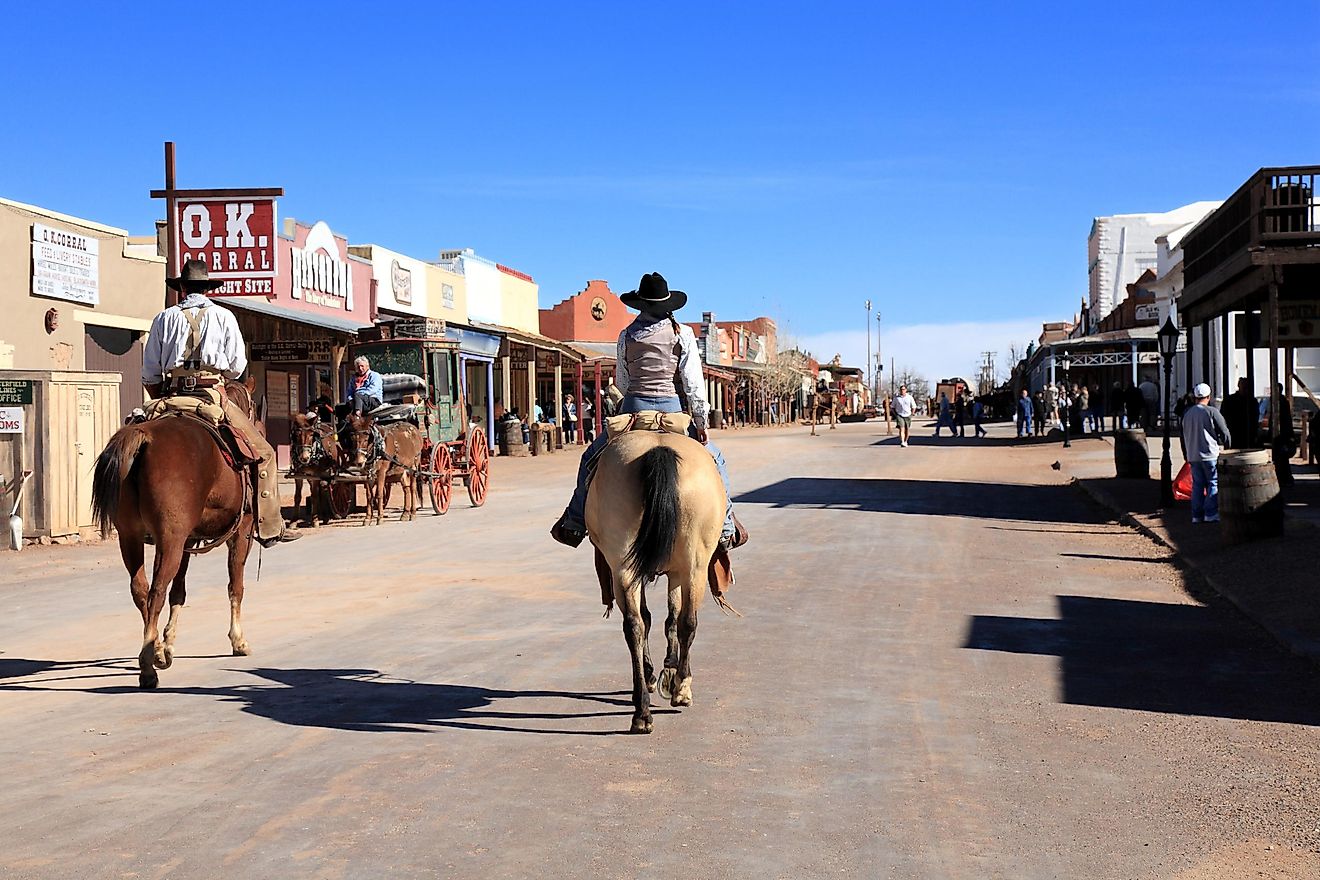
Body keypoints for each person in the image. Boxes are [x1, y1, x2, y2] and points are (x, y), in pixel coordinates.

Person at [550, 272, 747, 552]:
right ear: (669, 305)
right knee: (716, 459)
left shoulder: (627, 335)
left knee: (589, 458)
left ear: (640, 305)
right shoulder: (683, 334)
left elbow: (623, 382)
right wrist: (701, 423)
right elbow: (693, 384)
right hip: (673, 412)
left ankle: (574, 522)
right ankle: (726, 528)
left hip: (634, 411)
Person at [141, 260, 300, 547]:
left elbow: (149, 372)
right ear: (207, 288)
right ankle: (270, 526)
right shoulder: (224, 316)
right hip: (211, 394)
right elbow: (237, 368)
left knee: (131, 437)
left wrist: (163, 397)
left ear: (182, 288)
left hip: (170, 395)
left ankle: (134, 516)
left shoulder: (163, 318)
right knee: (264, 454)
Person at [1181, 382, 1232, 523]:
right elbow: (1225, 432)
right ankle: (1211, 513)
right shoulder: (1211, 412)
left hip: (1193, 455)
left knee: (1197, 485)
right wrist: (1228, 448)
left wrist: (1186, 453)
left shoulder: (1187, 414)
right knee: (1213, 482)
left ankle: (1196, 515)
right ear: (1208, 396)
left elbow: (1182, 435)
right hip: (1209, 454)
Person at [1269, 382, 1296, 487]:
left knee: (1282, 456)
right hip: (1281, 433)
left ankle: (1285, 477)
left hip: (1282, 434)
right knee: (1281, 456)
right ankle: (1285, 477)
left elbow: (1284, 419)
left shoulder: (1281, 401)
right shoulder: (1280, 401)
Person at [1221, 378, 1259, 450]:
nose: (1245, 388)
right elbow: (1223, 416)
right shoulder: (1229, 400)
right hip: (1234, 433)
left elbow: (1255, 418)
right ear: (1238, 385)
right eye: (1243, 385)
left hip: (1247, 434)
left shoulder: (1252, 401)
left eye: (1246, 386)